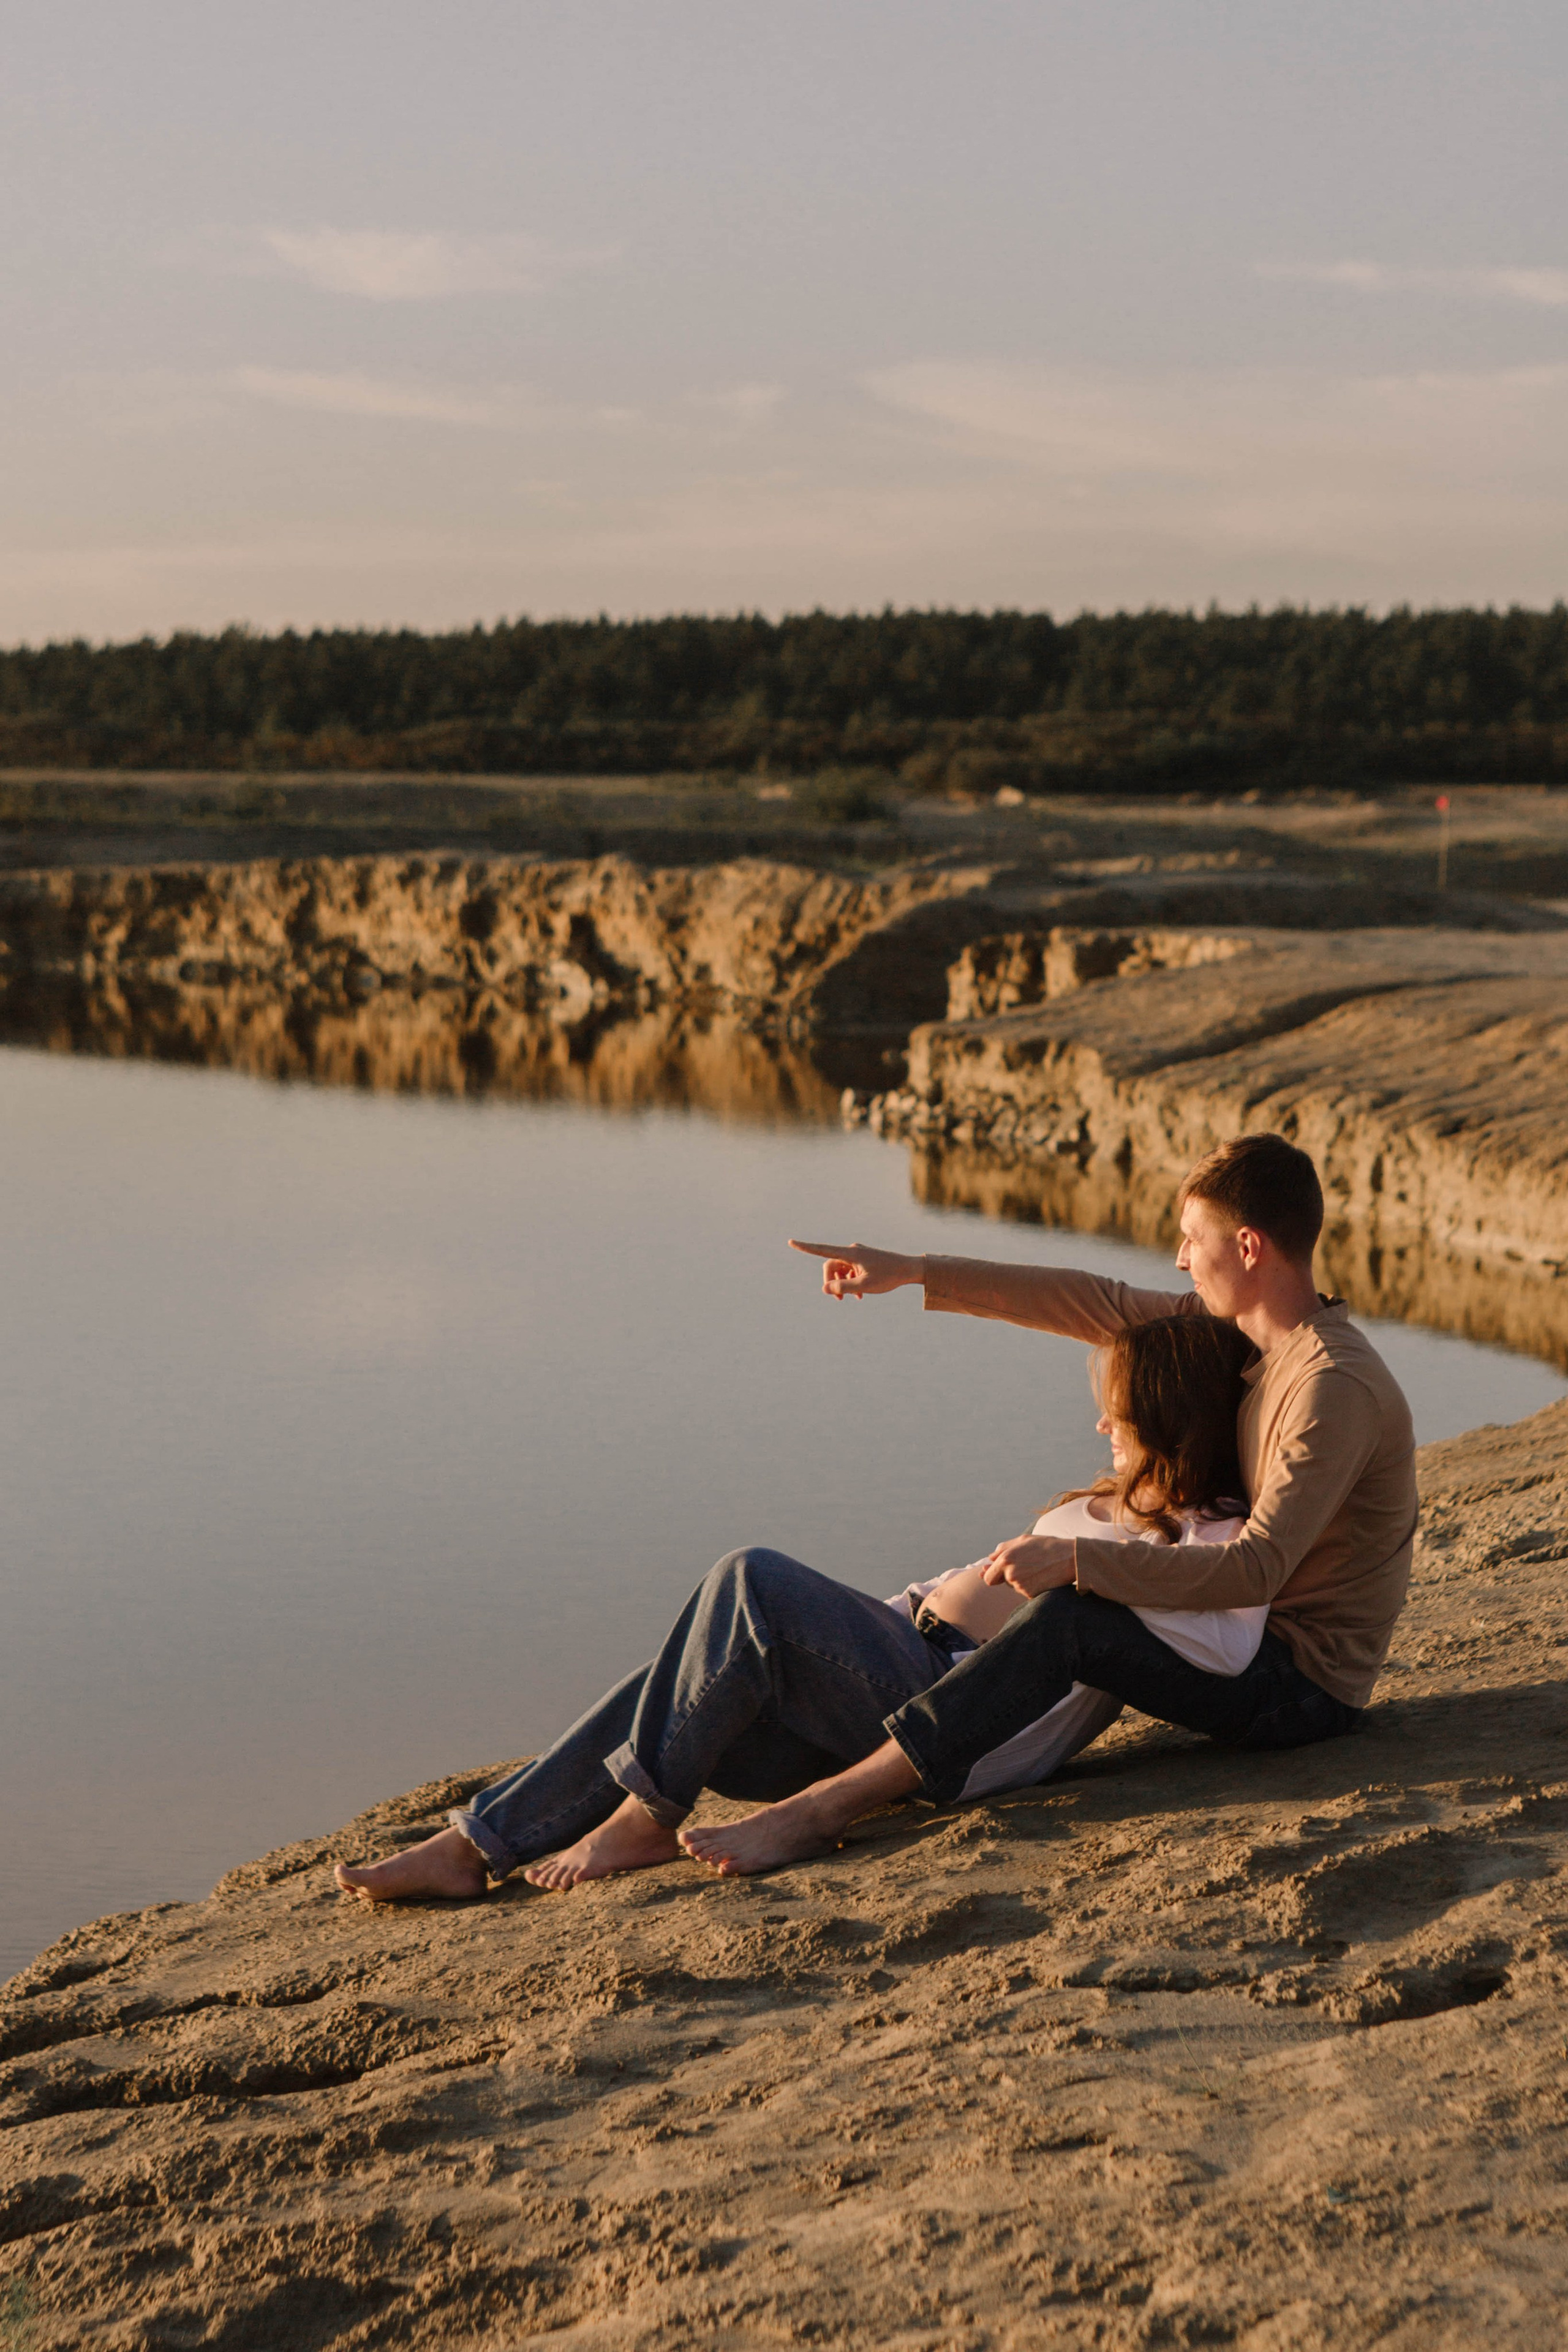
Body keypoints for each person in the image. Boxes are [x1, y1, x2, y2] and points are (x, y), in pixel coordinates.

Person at [680, 1130, 1419, 1877]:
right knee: (1077, 1598)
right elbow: (1092, 1301)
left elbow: (1257, 1570)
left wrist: (1076, 1560)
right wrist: (913, 1272)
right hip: (1231, 1634)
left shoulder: (1330, 1385)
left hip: (1296, 1683)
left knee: (1071, 1617)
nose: (1180, 1259)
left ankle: (824, 1809)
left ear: (1250, 1246)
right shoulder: (1244, 1334)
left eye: (1193, 1238)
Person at [334, 1313, 1256, 1904]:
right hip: (898, 1652)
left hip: (947, 1718)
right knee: (671, 1685)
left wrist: (1081, 1564)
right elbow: (961, 1586)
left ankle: (644, 1821)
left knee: (754, 1578)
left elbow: (1221, 1652)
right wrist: (872, 1616)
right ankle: (471, 1847)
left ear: (1176, 1421)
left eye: (1122, 1413)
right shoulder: (1110, 1500)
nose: (1103, 1426)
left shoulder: (1208, 1539)